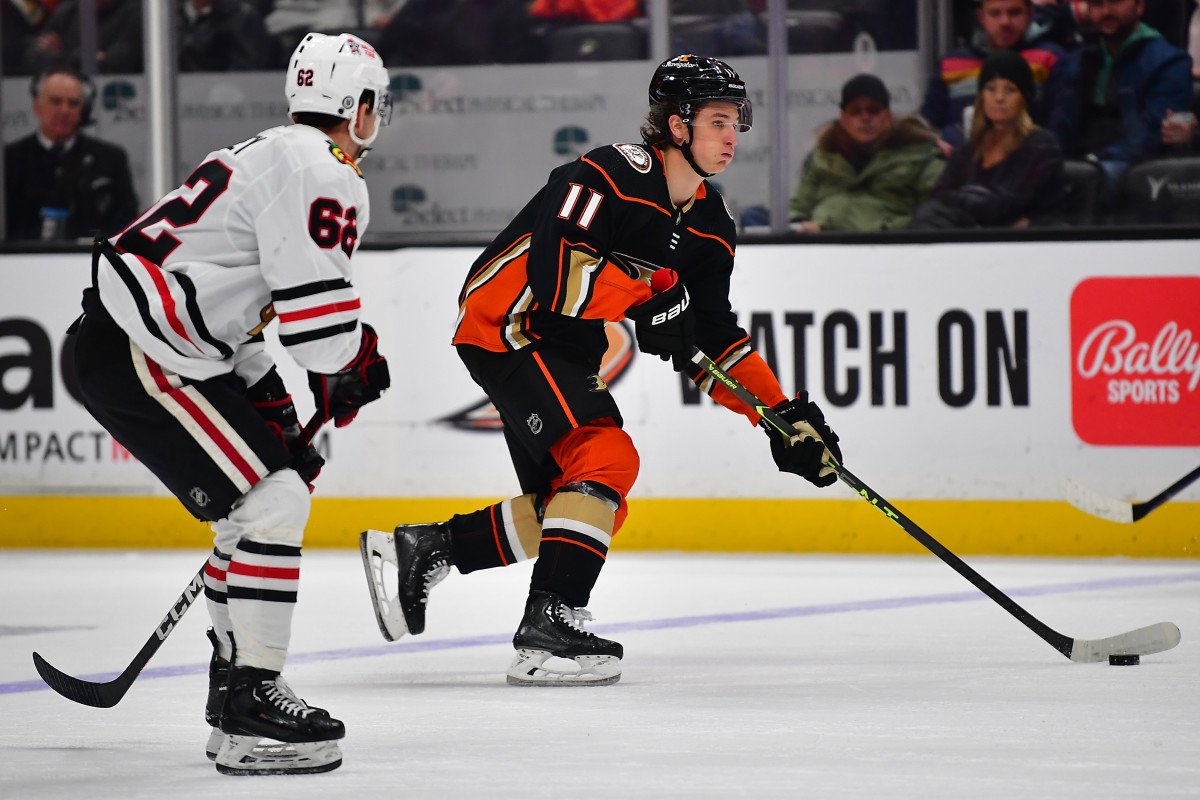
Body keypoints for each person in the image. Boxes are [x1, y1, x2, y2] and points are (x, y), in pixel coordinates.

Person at [359, 55, 843, 687]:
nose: (732, 136)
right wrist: (648, 298)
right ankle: (548, 627)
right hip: (508, 327)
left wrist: (778, 415)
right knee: (607, 457)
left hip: (565, 346)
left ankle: (427, 549)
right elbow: (556, 278)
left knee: (590, 506)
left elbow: (713, 342)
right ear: (676, 124)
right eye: (718, 121)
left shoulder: (712, 226)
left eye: (737, 122)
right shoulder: (606, 174)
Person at [64, 32, 393, 775]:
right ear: (358, 105)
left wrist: (274, 401)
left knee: (260, 503)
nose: (379, 117)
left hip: (141, 341)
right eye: (376, 103)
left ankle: (234, 697)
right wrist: (354, 358)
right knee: (273, 502)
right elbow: (320, 334)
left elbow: (230, 302)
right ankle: (252, 697)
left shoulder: (269, 151)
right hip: (147, 350)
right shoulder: (327, 172)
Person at [911, 49, 1067, 228]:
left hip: (1033, 246)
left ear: (1024, 98)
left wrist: (962, 203)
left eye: (1010, 90)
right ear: (981, 96)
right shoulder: (968, 148)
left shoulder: (1040, 145)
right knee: (926, 217)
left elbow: (1004, 208)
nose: (999, 98)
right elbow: (938, 198)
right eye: (991, 88)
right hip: (974, 240)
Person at [1049, 0, 1193, 189]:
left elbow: (1151, 133)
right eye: (1098, 4)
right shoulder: (1074, 61)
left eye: (1116, 2)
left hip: (1133, 166)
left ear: (1140, 6)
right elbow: (1059, 126)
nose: (1106, 11)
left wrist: (1092, 163)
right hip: (1079, 162)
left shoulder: (1170, 62)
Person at [788, 73, 946, 232]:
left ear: (888, 116)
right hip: (819, 249)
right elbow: (798, 208)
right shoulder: (822, 157)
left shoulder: (921, 154)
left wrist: (831, 227)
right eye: (855, 111)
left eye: (873, 110)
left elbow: (935, 214)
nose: (865, 118)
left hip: (893, 248)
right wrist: (800, 231)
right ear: (843, 118)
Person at [4, 66, 138, 242]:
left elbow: (126, 223)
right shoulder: (9, 160)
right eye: (56, 101)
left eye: (73, 103)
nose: (65, 110)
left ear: (83, 109)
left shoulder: (110, 159)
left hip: (90, 261)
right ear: (37, 106)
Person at [923, 0, 1070, 150]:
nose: (1005, 22)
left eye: (1014, 13)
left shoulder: (1051, 58)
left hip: (1024, 161)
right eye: (995, 13)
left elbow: (1060, 131)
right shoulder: (951, 63)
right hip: (953, 160)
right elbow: (928, 124)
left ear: (1029, 14)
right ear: (981, 16)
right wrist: (937, 146)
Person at [24, 0, 143, 75]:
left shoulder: (135, 12)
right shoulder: (68, 11)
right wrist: (83, 57)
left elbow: (113, 66)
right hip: (64, 91)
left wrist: (62, 53)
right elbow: (33, 57)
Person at [179, 0, 275, 72]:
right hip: (178, 92)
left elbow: (249, 68)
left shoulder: (242, 17)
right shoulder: (171, 18)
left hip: (223, 93)